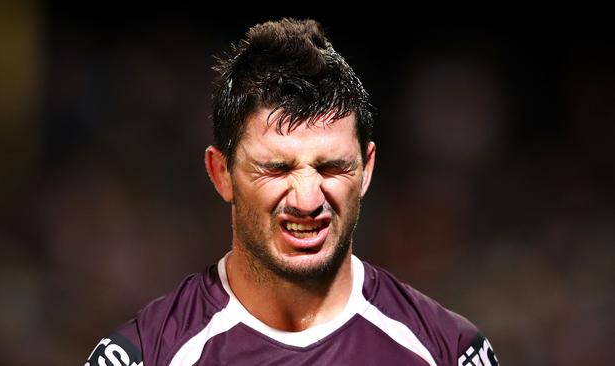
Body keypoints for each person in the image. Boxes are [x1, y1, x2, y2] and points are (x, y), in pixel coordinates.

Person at [84, 18, 499, 366]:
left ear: (367, 169)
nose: (307, 199)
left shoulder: (449, 351)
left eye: (332, 167)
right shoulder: (149, 355)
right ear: (220, 172)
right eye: (276, 168)